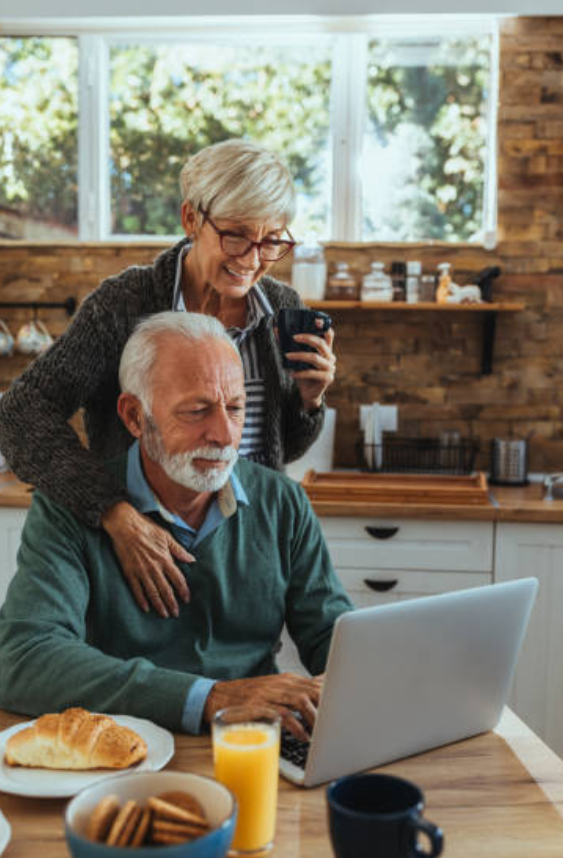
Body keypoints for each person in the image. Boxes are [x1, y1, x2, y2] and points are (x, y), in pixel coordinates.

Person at [0, 138, 336, 621]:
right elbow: (20, 412)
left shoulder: (283, 308)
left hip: (241, 555)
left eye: (271, 241)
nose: (253, 258)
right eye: (237, 235)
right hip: (139, 554)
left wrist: (309, 400)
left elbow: (276, 449)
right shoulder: (123, 306)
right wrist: (113, 512)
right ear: (191, 219)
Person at [0, 313, 351, 737]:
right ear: (134, 416)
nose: (224, 435)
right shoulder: (68, 510)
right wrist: (210, 698)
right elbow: (22, 660)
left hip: (253, 746)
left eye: (236, 408)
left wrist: (356, 674)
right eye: (197, 411)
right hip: (121, 756)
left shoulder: (283, 502)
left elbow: (334, 635)